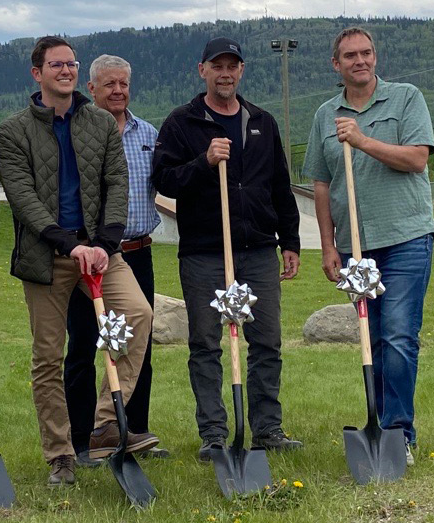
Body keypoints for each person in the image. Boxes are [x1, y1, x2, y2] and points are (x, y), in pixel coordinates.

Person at [0, 36, 156, 486]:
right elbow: (24, 200)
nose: (65, 71)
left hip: (101, 251)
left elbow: (116, 184)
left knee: (139, 315)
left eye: (71, 64)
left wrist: (104, 243)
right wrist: (69, 245)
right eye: (56, 65)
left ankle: (106, 421)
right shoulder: (13, 131)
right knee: (49, 356)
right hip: (46, 256)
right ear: (37, 73)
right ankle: (61, 455)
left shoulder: (101, 122)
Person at [151, 37, 302, 462]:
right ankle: (214, 434)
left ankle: (268, 429)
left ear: (241, 70)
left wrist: (289, 241)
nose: (225, 73)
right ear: (202, 71)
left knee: (267, 341)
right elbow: (164, 181)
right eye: (217, 65)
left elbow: (280, 188)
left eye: (232, 65)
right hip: (204, 252)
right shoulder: (182, 123)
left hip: (257, 249)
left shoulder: (262, 122)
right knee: (205, 344)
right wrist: (203, 162)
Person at [303, 27, 434, 467]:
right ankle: (378, 427)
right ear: (335, 64)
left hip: (407, 238)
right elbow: (321, 185)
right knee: (372, 339)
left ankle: (399, 433)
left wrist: (362, 140)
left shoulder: (406, 98)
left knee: (398, 336)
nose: (359, 60)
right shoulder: (325, 114)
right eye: (349, 55)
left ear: (375, 57)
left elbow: (417, 158)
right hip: (357, 248)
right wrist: (328, 246)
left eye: (366, 53)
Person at [64, 54, 168, 467]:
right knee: (84, 346)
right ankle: (82, 439)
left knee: (136, 343)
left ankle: (132, 431)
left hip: (136, 252)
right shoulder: (77, 132)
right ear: (91, 89)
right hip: (88, 258)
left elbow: (169, 179)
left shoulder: (148, 133)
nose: (118, 91)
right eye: (109, 84)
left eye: (123, 84)